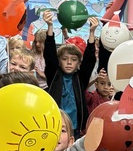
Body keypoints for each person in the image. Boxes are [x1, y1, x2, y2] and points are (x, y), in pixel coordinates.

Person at [42, 9, 98, 139]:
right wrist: (50, 26)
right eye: (64, 59)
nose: (68, 63)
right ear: (59, 61)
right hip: (54, 126)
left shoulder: (80, 78)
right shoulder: (55, 75)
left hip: (74, 128)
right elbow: (49, 55)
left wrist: (92, 32)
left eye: (73, 60)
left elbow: (89, 59)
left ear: (78, 63)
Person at [80, 69, 127, 151]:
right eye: (102, 83)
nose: (106, 87)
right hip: (87, 141)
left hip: (102, 145)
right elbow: (82, 90)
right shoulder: (92, 97)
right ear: (96, 85)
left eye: (109, 84)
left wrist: (116, 95)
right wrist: (94, 79)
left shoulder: (113, 102)